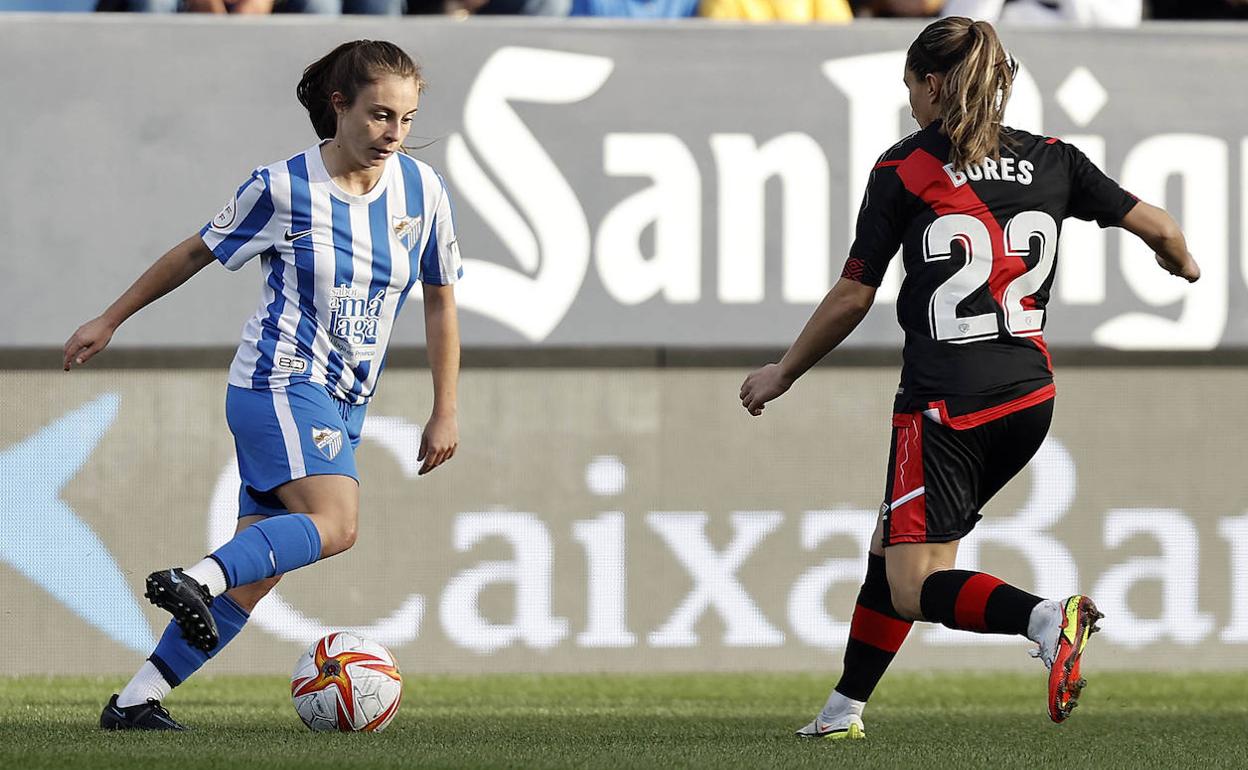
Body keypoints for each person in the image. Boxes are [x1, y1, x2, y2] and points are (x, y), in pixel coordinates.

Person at [740, 16, 1199, 739]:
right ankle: (841, 712)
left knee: (913, 584)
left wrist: (783, 372)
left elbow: (855, 292)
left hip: (946, 403)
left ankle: (1047, 619)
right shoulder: (1055, 159)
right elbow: (1165, 230)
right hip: (1029, 398)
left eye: (912, 89)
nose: (912, 105)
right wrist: (1183, 265)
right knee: (893, 546)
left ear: (931, 83)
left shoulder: (904, 167)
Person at [64, 39, 462, 730]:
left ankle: (133, 702)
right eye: (378, 115)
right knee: (337, 524)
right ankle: (198, 577)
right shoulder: (283, 187)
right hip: (277, 382)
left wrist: (445, 409)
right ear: (338, 106)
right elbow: (195, 250)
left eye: (404, 118)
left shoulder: (421, 191)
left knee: (254, 578)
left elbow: (440, 299)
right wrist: (110, 318)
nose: (392, 133)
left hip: (345, 401)